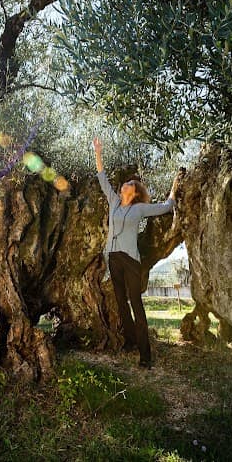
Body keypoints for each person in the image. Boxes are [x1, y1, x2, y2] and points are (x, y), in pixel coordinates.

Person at [93, 137, 181, 368]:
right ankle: (130, 342)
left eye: (129, 185)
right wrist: (98, 152)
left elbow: (165, 207)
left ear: (134, 192)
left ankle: (146, 356)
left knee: (136, 303)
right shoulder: (113, 202)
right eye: (124, 184)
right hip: (113, 258)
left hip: (130, 260)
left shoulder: (139, 208)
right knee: (121, 303)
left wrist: (173, 188)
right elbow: (101, 177)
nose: (124, 185)